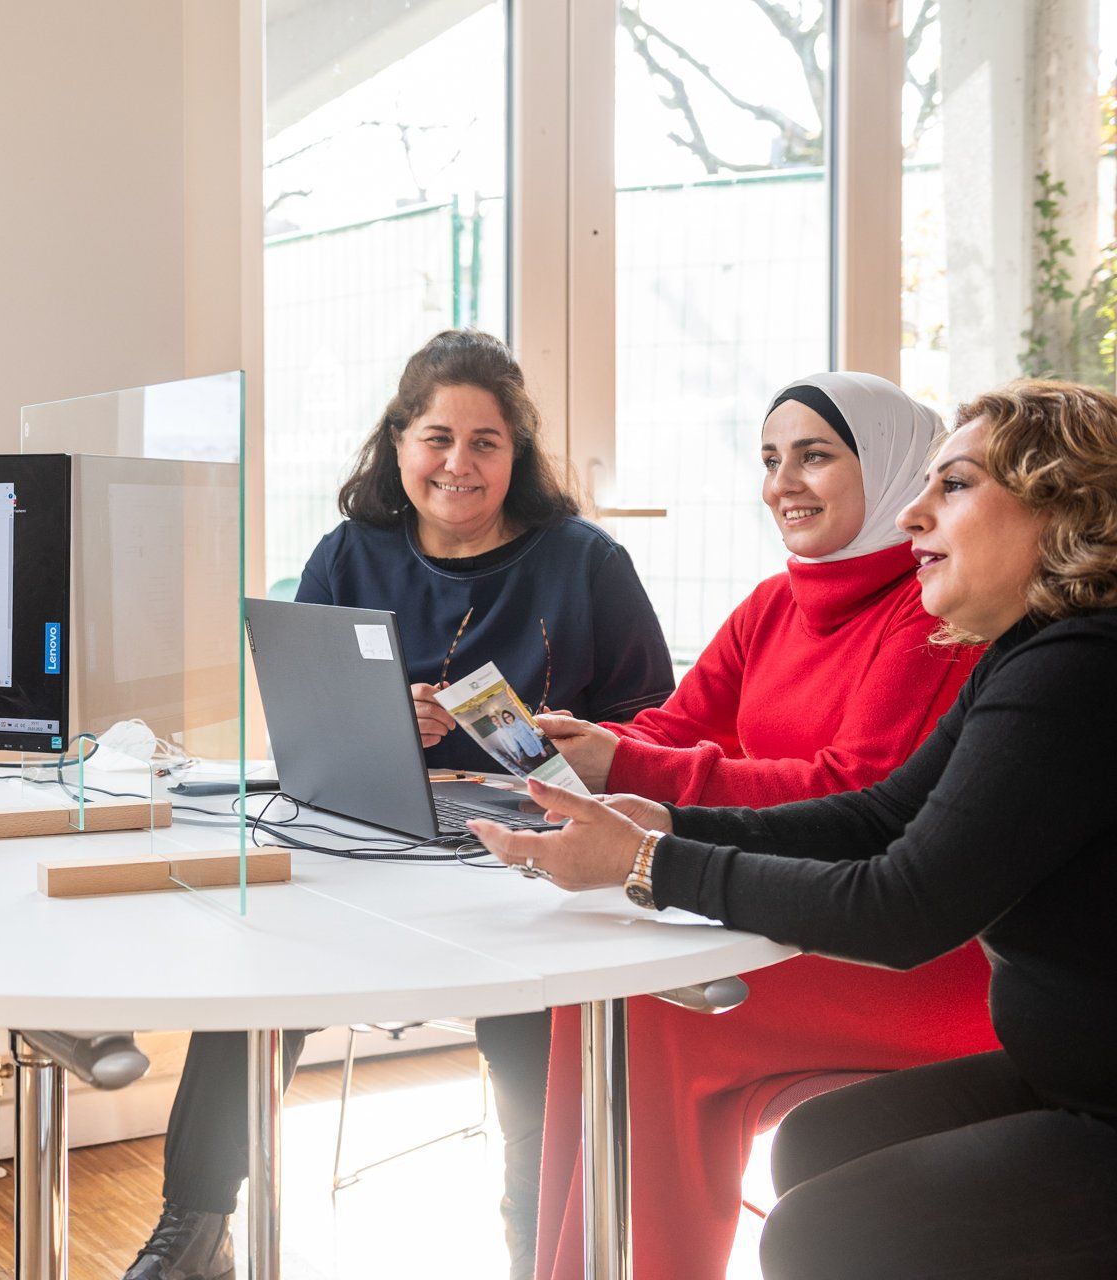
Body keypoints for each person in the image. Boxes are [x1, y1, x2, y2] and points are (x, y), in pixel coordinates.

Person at [469, 378, 1117, 1280]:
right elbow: (879, 814)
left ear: (1063, 506)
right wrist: (667, 820)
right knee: (822, 1142)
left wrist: (650, 860)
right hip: (1069, 1070)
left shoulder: (1080, 670)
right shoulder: (1027, 652)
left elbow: (905, 906)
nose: (917, 513)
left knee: (824, 1234)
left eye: (956, 485)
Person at [122, 329, 674, 1280]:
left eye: (486, 442)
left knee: (533, 1030)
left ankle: (537, 1245)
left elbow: (656, 728)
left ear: (517, 454)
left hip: (529, 856)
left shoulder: (586, 563)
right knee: (257, 972)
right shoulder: (349, 553)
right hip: (365, 846)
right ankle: (196, 1230)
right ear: (399, 443)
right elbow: (305, 727)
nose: (459, 463)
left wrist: (586, 742)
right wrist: (377, 725)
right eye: (437, 438)